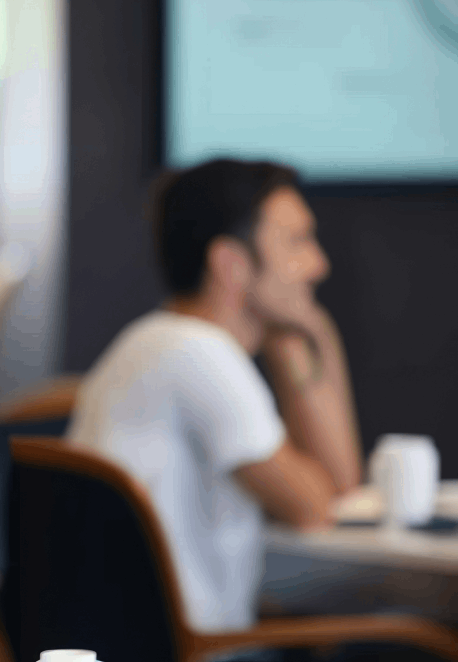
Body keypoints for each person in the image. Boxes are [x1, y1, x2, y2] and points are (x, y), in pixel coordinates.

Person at [67, 158, 362, 635]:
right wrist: (319, 335)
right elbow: (320, 506)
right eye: (297, 242)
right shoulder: (202, 356)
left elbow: (336, 491)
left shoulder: (150, 342)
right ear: (231, 264)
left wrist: (299, 339)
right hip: (197, 652)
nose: (318, 265)